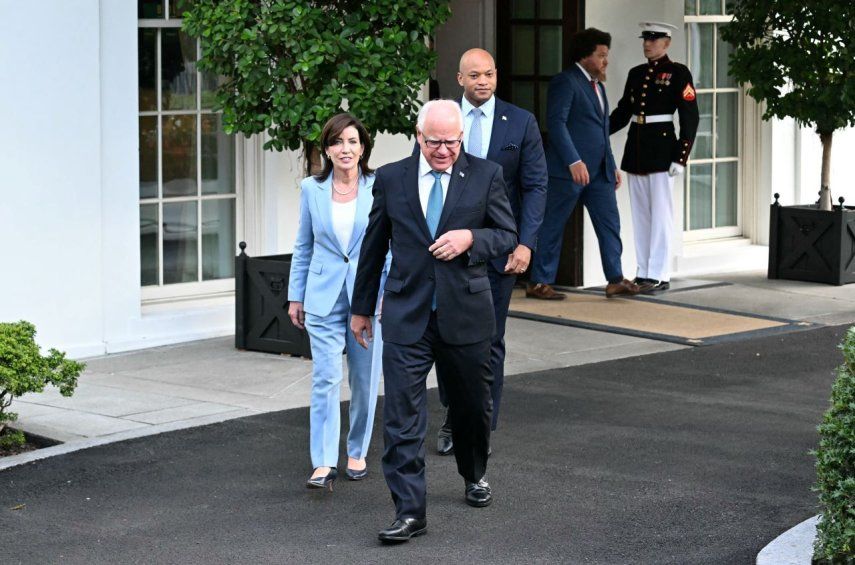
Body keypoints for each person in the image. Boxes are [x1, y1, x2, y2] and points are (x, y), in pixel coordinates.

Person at [350, 100, 517, 543]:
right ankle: (410, 511)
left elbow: (506, 235)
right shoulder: (390, 178)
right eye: (434, 141)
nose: (443, 150)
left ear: (461, 138)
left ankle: (473, 472)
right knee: (402, 416)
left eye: (451, 141)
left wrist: (471, 238)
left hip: (466, 313)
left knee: (469, 408)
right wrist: (361, 307)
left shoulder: (486, 175)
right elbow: (374, 245)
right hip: (408, 314)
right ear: (418, 136)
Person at [435, 48, 548, 456]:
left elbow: (536, 186)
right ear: (460, 79)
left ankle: (480, 421)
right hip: (449, 251)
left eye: (489, 74)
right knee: (448, 338)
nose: (482, 81)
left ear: (496, 76)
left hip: (502, 249)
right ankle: (452, 415)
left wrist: (526, 243)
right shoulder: (442, 119)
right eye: (474, 75)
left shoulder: (521, 122)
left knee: (489, 340)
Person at [287, 113, 387, 491]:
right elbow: (304, 245)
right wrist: (296, 295)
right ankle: (324, 461)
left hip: (368, 298)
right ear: (327, 149)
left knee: (364, 380)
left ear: (363, 147)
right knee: (326, 378)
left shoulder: (380, 186)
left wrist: (383, 294)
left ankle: (357, 449)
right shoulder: (312, 189)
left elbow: (388, 246)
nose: (345, 149)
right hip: (323, 298)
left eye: (352, 141)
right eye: (337, 142)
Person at [528, 28, 640, 299]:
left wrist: (611, 165)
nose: (606, 61)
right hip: (568, 171)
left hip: (599, 172)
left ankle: (615, 279)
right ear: (585, 56)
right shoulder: (565, 82)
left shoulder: (598, 86)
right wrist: (573, 161)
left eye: (606, 55)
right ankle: (539, 282)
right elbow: (556, 123)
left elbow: (601, 131)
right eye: (601, 55)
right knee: (553, 224)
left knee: (610, 224)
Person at [610, 22, 700, 293]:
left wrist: (680, 156)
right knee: (640, 215)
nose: (648, 44)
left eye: (654, 39)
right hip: (637, 150)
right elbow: (624, 111)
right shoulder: (636, 73)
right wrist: (597, 132)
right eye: (646, 39)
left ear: (667, 42)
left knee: (661, 214)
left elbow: (689, 116)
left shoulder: (677, 73)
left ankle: (659, 273)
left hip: (662, 151)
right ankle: (644, 270)